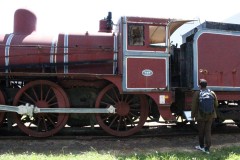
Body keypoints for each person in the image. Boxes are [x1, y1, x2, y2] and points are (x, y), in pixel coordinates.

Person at [191, 79, 218, 154]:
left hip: (200, 116)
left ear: (200, 85)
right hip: (210, 115)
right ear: (206, 85)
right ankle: (207, 148)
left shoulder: (197, 93)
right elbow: (216, 104)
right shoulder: (212, 93)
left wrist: (192, 116)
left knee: (201, 131)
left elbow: (194, 106)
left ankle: (201, 146)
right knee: (208, 131)